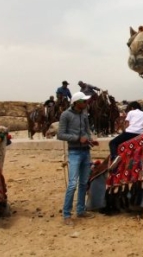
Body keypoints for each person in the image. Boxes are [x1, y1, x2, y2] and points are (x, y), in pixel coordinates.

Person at [57, 92, 98, 225]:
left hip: (85, 151)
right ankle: (67, 214)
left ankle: (80, 210)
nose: (86, 103)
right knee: (73, 183)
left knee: (83, 182)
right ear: (76, 102)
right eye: (84, 101)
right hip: (74, 152)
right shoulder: (65, 115)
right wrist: (77, 139)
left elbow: (86, 131)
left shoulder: (84, 114)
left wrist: (90, 140)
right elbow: (60, 135)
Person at [108, 101, 143, 171]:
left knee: (112, 143)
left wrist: (124, 131)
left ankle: (114, 158)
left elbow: (127, 124)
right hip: (140, 134)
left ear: (132, 108)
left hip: (129, 133)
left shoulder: (131, 112)